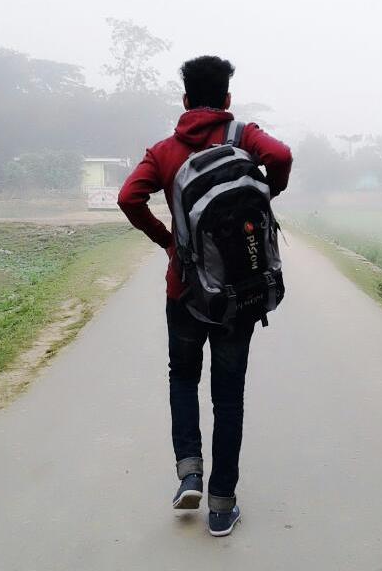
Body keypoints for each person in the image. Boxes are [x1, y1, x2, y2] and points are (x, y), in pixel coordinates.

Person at [118, 56, 292, 536]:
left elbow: (129, 197)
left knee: (182, 377)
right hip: (240, 292)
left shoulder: (164, 151)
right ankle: (221, 505)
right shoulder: (244, 136)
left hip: (185, 290)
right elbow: (280, 157)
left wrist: (167, 240)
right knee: (228, 396)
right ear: (227, 98)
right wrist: (263, 194)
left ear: (185, 100)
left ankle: (189, 473)